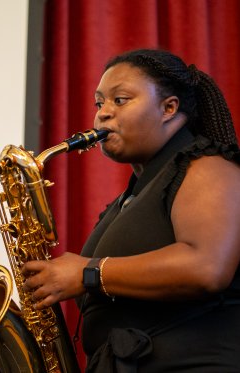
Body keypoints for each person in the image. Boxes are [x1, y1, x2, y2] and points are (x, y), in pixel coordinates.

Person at [22, 49, 240, 372]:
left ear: (169, 108)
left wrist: (87, 272)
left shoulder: (208, 165)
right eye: (99, 103)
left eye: (120, 100)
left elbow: (208, 266)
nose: (102, 115)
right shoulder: (131, 198)